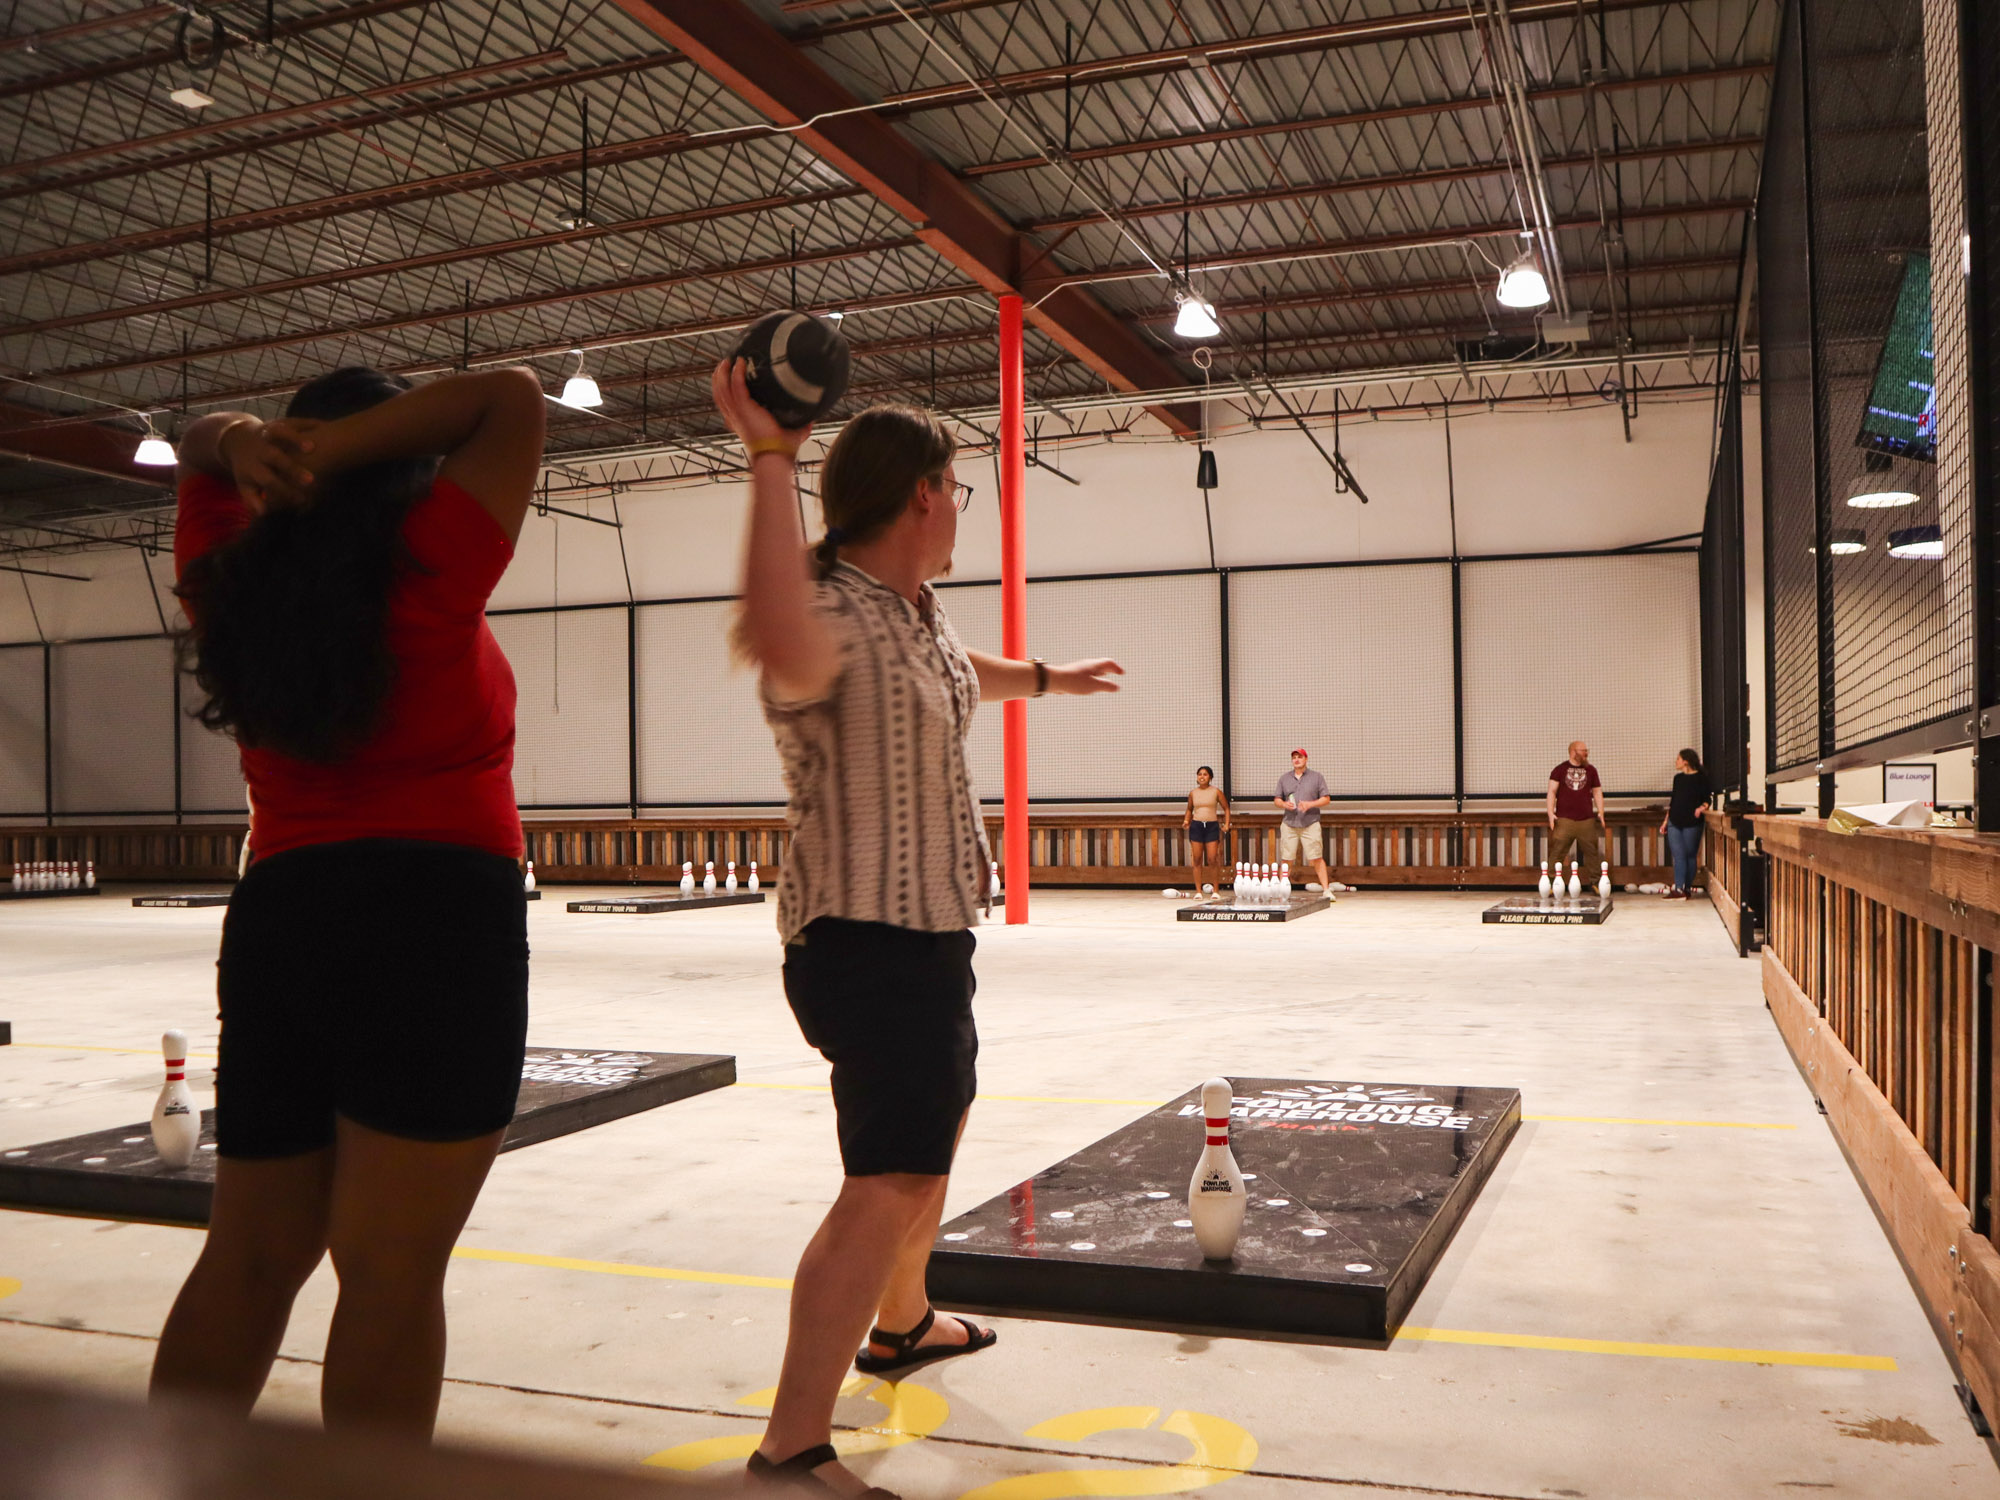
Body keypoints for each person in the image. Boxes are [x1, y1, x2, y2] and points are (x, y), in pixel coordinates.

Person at [715, 361, 1123, 1500]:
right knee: (886, 1175)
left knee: (930, 1132)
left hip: (929, 933)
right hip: (862, 940)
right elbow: (766, 623)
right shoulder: (828, 614)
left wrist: (1049, 679)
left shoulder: (914, 615)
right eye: (956, 488)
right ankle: (790, 1445)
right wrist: (767, 459)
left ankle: (901, 1327)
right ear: (921, 496)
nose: (962, 508)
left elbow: (957, 674)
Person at [152, 366, 545, 1439]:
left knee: (248, 1258)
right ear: (400, 465)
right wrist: (327, 447)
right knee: (388, 1276)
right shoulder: (430, 563)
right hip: (437, 923)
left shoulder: (226, 579)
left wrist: (242, 441)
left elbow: (190, 442)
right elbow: (507, 397)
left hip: (286, 919)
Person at [1547, 740, 1606, 883]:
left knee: (1592, 852)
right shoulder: (1560, 769)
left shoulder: (1591, 770)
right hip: (1564, 818)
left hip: (1586, 819)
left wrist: (1601, 812)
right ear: (1573, 751)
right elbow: (1552, 791)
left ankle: (1596, 882)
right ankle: (1550, 881)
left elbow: (1597, 792)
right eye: (1583, 750)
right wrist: (1550, 813)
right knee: (1558, 851)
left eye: (1587, 750)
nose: (1586, 753)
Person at [1273, 748, 1332, 892]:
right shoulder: (1284, 778)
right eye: (1294, 757)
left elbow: (1326, 799)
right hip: (1289, 823)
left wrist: (1310, 804)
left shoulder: (1317, 777)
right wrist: (1283, 804)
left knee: (1316, 857)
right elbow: (1277, 799)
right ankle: (1282, 891)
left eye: (1299, 757)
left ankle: (1326, 890)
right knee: (1287, 859)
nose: (1296, 760)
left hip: (1310, 822)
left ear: (1306, 759)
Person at [1660, 748, 1713, 899]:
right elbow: (1673, 801)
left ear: (1686, 761)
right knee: (1678, 855)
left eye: (1678, 759)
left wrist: (1701, 808)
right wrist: (1665, 822)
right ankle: (1678, 888)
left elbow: (1707, 799)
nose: (1676, 762)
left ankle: (1686, 888)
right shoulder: (1678, 779)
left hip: (1692, 822)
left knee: (1690, 855)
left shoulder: (1701, 778)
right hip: (1675, 820)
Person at [1183, 766, 1230, 893]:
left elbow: (1226, 808)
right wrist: (1186, 820)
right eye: (1200, 774)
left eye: (1205, 774)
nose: (1202, 777)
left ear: (1210, 777)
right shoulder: (1193, 793)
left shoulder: (1216, 792)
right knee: (1197, 859)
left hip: (1211, 826)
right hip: (1197, 826)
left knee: (1212, 858)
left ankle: (1216, 890)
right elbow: (1189, 809)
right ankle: (1198, 891)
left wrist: (1226, 824)